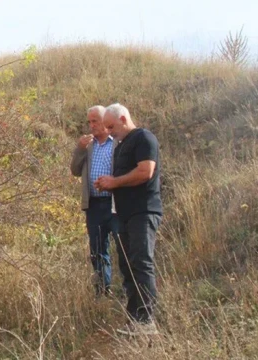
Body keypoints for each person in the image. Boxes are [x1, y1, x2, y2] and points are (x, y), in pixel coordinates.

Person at [95, 103, 162, 336]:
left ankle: (146, 322)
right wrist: (108, 182)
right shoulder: (119, 146)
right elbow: (122, 178)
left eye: (111, 126)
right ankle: (134, 321)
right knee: (128, 267)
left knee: (142, 263)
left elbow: (146, 172)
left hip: (143, 212)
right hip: (122, 215)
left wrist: (115, 182)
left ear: (124, 118)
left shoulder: (144, 138)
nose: (109, 131)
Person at [70, 105, 119, 296]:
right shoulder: (87, 146)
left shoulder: (117, 143)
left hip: (116, 204)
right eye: (89, 122)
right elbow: (74, 170)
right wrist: (79, 149)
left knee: (123, 246)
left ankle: (128, 289)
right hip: (94, 205)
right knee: (97, 251)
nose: (91, 126)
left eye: (95, 121)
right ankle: (102, 292)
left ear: (105, 121)